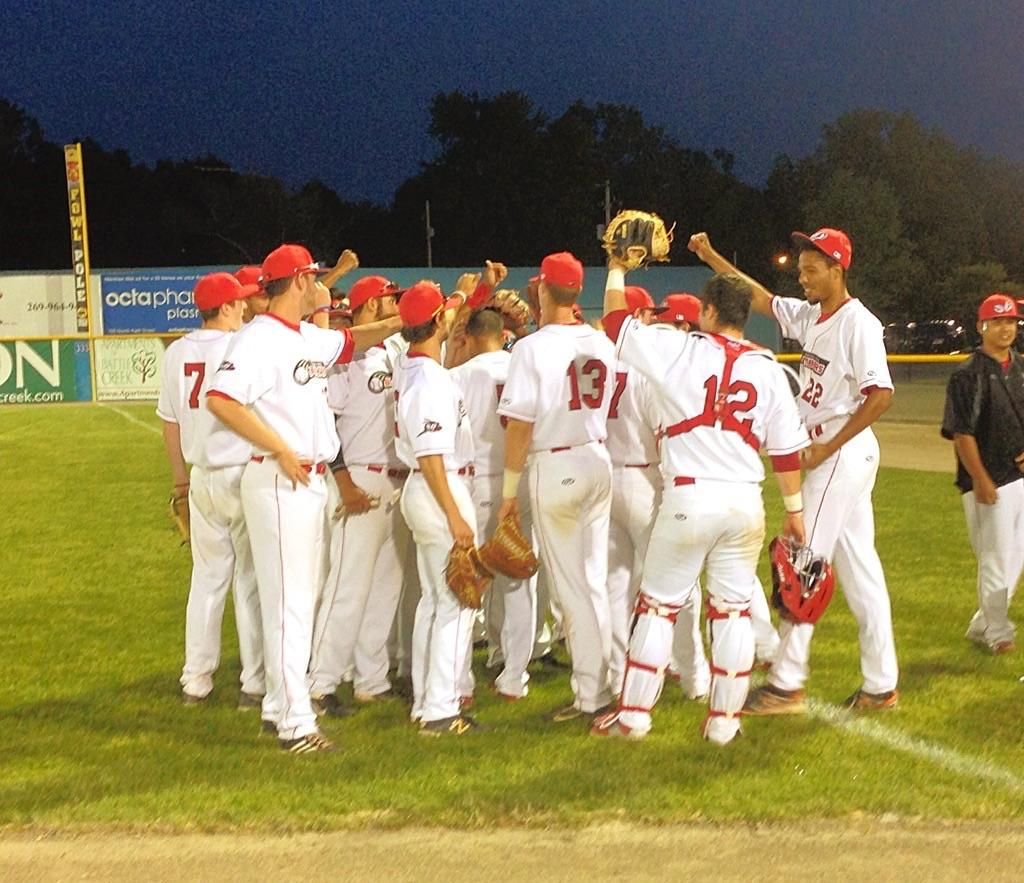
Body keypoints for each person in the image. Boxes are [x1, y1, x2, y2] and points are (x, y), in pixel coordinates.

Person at [689, 228, 900, 713]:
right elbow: (756, 295)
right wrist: (710, 255)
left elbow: (881, 394)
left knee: (804, 567)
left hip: (841, 451)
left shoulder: (857, 323)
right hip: (836, 451)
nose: (802, 278)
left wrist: (828, 449)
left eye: (811, 270)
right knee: (860, 572)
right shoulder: (811, 316)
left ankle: (786, 682)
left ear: (837, 270)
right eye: (800, 270)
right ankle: (881, 683)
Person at [594, 269, 809, 745]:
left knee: (657, 607)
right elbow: (787, 452)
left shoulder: (679, 348)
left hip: (690, 496)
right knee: (731, 611)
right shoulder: (768, 366)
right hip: (745, 502)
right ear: (745, 315)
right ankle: (724, 724)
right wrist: (794, 510)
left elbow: (613, 322)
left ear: (707, 312)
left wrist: (615, 267)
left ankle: (633, 717)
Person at [207, 244, 400, 754]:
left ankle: (278, 705)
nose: (320, 284)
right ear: (296, 281)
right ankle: (296, 723)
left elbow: (357, 338)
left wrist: (422, 317)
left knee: (295, 599)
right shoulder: (257, 339)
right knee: (291, 604)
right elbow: (221, 399)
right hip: (278, 477)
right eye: (314, 277)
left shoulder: (306, 336)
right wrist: (279, 447)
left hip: (307, 481)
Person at [497, 252, 617, 722]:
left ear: (544, 290)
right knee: (593, 583)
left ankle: (593, 696)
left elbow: (520, 428)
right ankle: (605, 682)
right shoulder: (603, 340)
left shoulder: (531, 347)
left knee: (573, 590)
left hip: (558, 466)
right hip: (597, 456)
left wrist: (508, 495)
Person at [157, 271, 265, 708]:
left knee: (206, 579)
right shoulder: (243, 345)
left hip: (200, 476)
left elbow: (169, 423)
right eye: (238, 301)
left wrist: (180, 480)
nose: (244, 306)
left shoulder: (176, 351)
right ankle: (254, 683)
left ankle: (196, 681)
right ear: (222, 308)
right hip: (242, 471)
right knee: (250, 579)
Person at [308, 276, 412, 716]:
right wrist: (343, 480)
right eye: (390, 298)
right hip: (361, 480)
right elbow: (326, 421)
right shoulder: (343, 359)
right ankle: (321, 682)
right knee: (346, 587)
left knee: (386, 588)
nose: (395, 305)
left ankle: (372, 679)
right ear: (370, 305)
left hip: (396, 481)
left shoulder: (394, 352)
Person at [392, 280, 482, 736]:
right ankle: (441, 711)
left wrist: (465, 297)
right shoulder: (427, 380)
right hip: (438, 487)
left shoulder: (413, 366)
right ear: (436, 322)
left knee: (434, 601)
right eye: (445, 312)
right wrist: (454, 513)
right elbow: (430, 454)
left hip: (425, 488)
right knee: (456, 603)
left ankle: (427, 702)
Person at [450, 307, 538, 700]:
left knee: (470, 579)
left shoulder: (458, 376)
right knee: (517, 578)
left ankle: (459, 679)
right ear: (503, 335)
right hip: (519, 480)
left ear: (468, 337)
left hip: (476, 483)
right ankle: (513, 675)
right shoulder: (522, 367)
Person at [941, 293, 1024, 655]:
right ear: (981, 326)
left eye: (1011, 321)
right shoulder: (967, 374)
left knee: (1016, 556)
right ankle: (997, 632)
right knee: (994, 556)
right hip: (989, 480)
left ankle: (982, 623)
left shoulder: (1020, 366)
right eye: (998, 321)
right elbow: (962, 433)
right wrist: (980, 479)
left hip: (1019, 476)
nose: (1006, 328)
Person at [599, 286, 665, 694]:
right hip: (644, 479)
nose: (653, 320)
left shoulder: (595, 361)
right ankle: (673, 672)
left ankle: (618, 675)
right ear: (635, 316)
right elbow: (664, 434)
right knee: (662, 585)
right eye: (649, 313)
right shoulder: (647, 369)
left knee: (613, 587)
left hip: (605, 480)